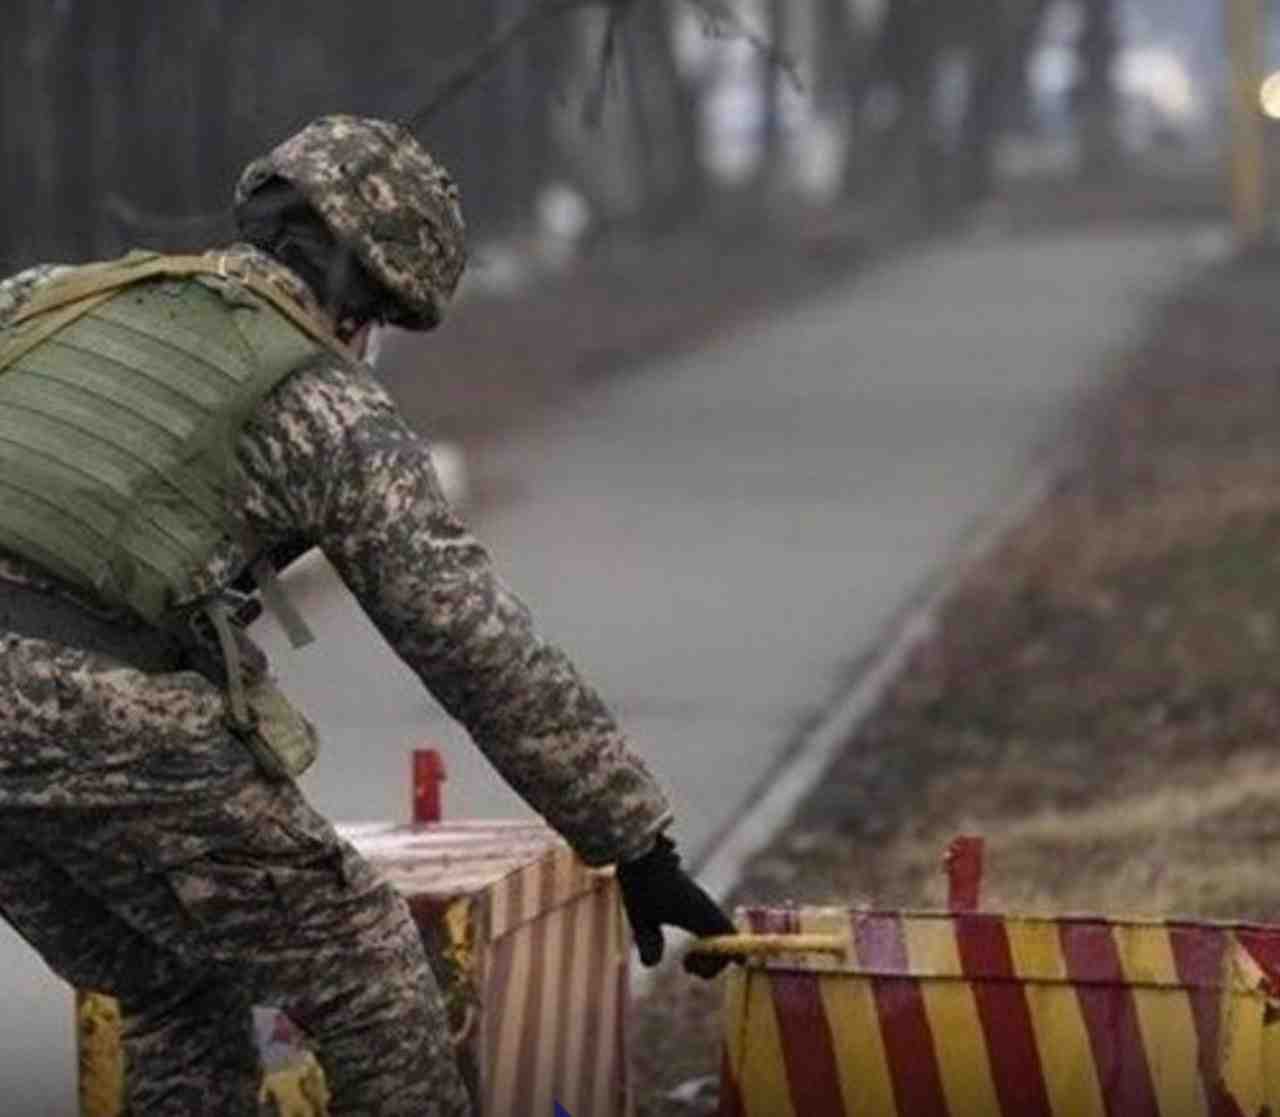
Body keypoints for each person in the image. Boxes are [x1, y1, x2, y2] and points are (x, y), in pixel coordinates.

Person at [0, 115, 735, 1116]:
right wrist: (634, 844)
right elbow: (475, 644)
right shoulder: (323, 405)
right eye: (381, 316)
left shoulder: (54, 298)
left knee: (171, 985)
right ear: (360, 294)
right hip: (83, 705)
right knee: (365, 962)